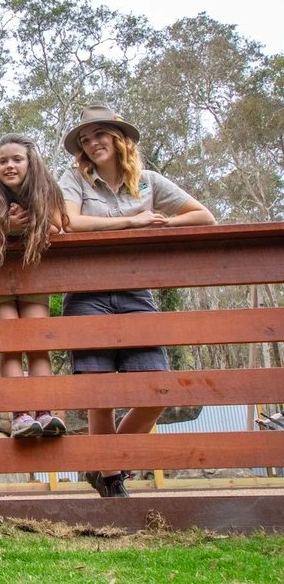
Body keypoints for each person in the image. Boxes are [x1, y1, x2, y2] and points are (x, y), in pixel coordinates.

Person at [58, 104, 216, 497]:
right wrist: (132, 222)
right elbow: (71, 223)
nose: (93, 143)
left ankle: (108, 462)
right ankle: (112, 480)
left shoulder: (148, 182)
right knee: (100, 393)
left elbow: (204, 217)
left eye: (100, 134)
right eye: (85, 138)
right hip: (87, 291)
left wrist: (164, 222)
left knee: (157, 387)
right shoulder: (74, 180)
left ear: (118, 137)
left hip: (136, 292)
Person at [0, 133, 68, 438]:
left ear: (31, 162)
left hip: (32, 273)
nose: (10, 165)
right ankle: (20, 415)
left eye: (17, 159)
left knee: (37, 344)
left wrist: (31, 223)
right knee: (11, 345)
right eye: (3, 161)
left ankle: (44, 412)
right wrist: (7, 224)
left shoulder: (47, 191)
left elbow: (57, 226)